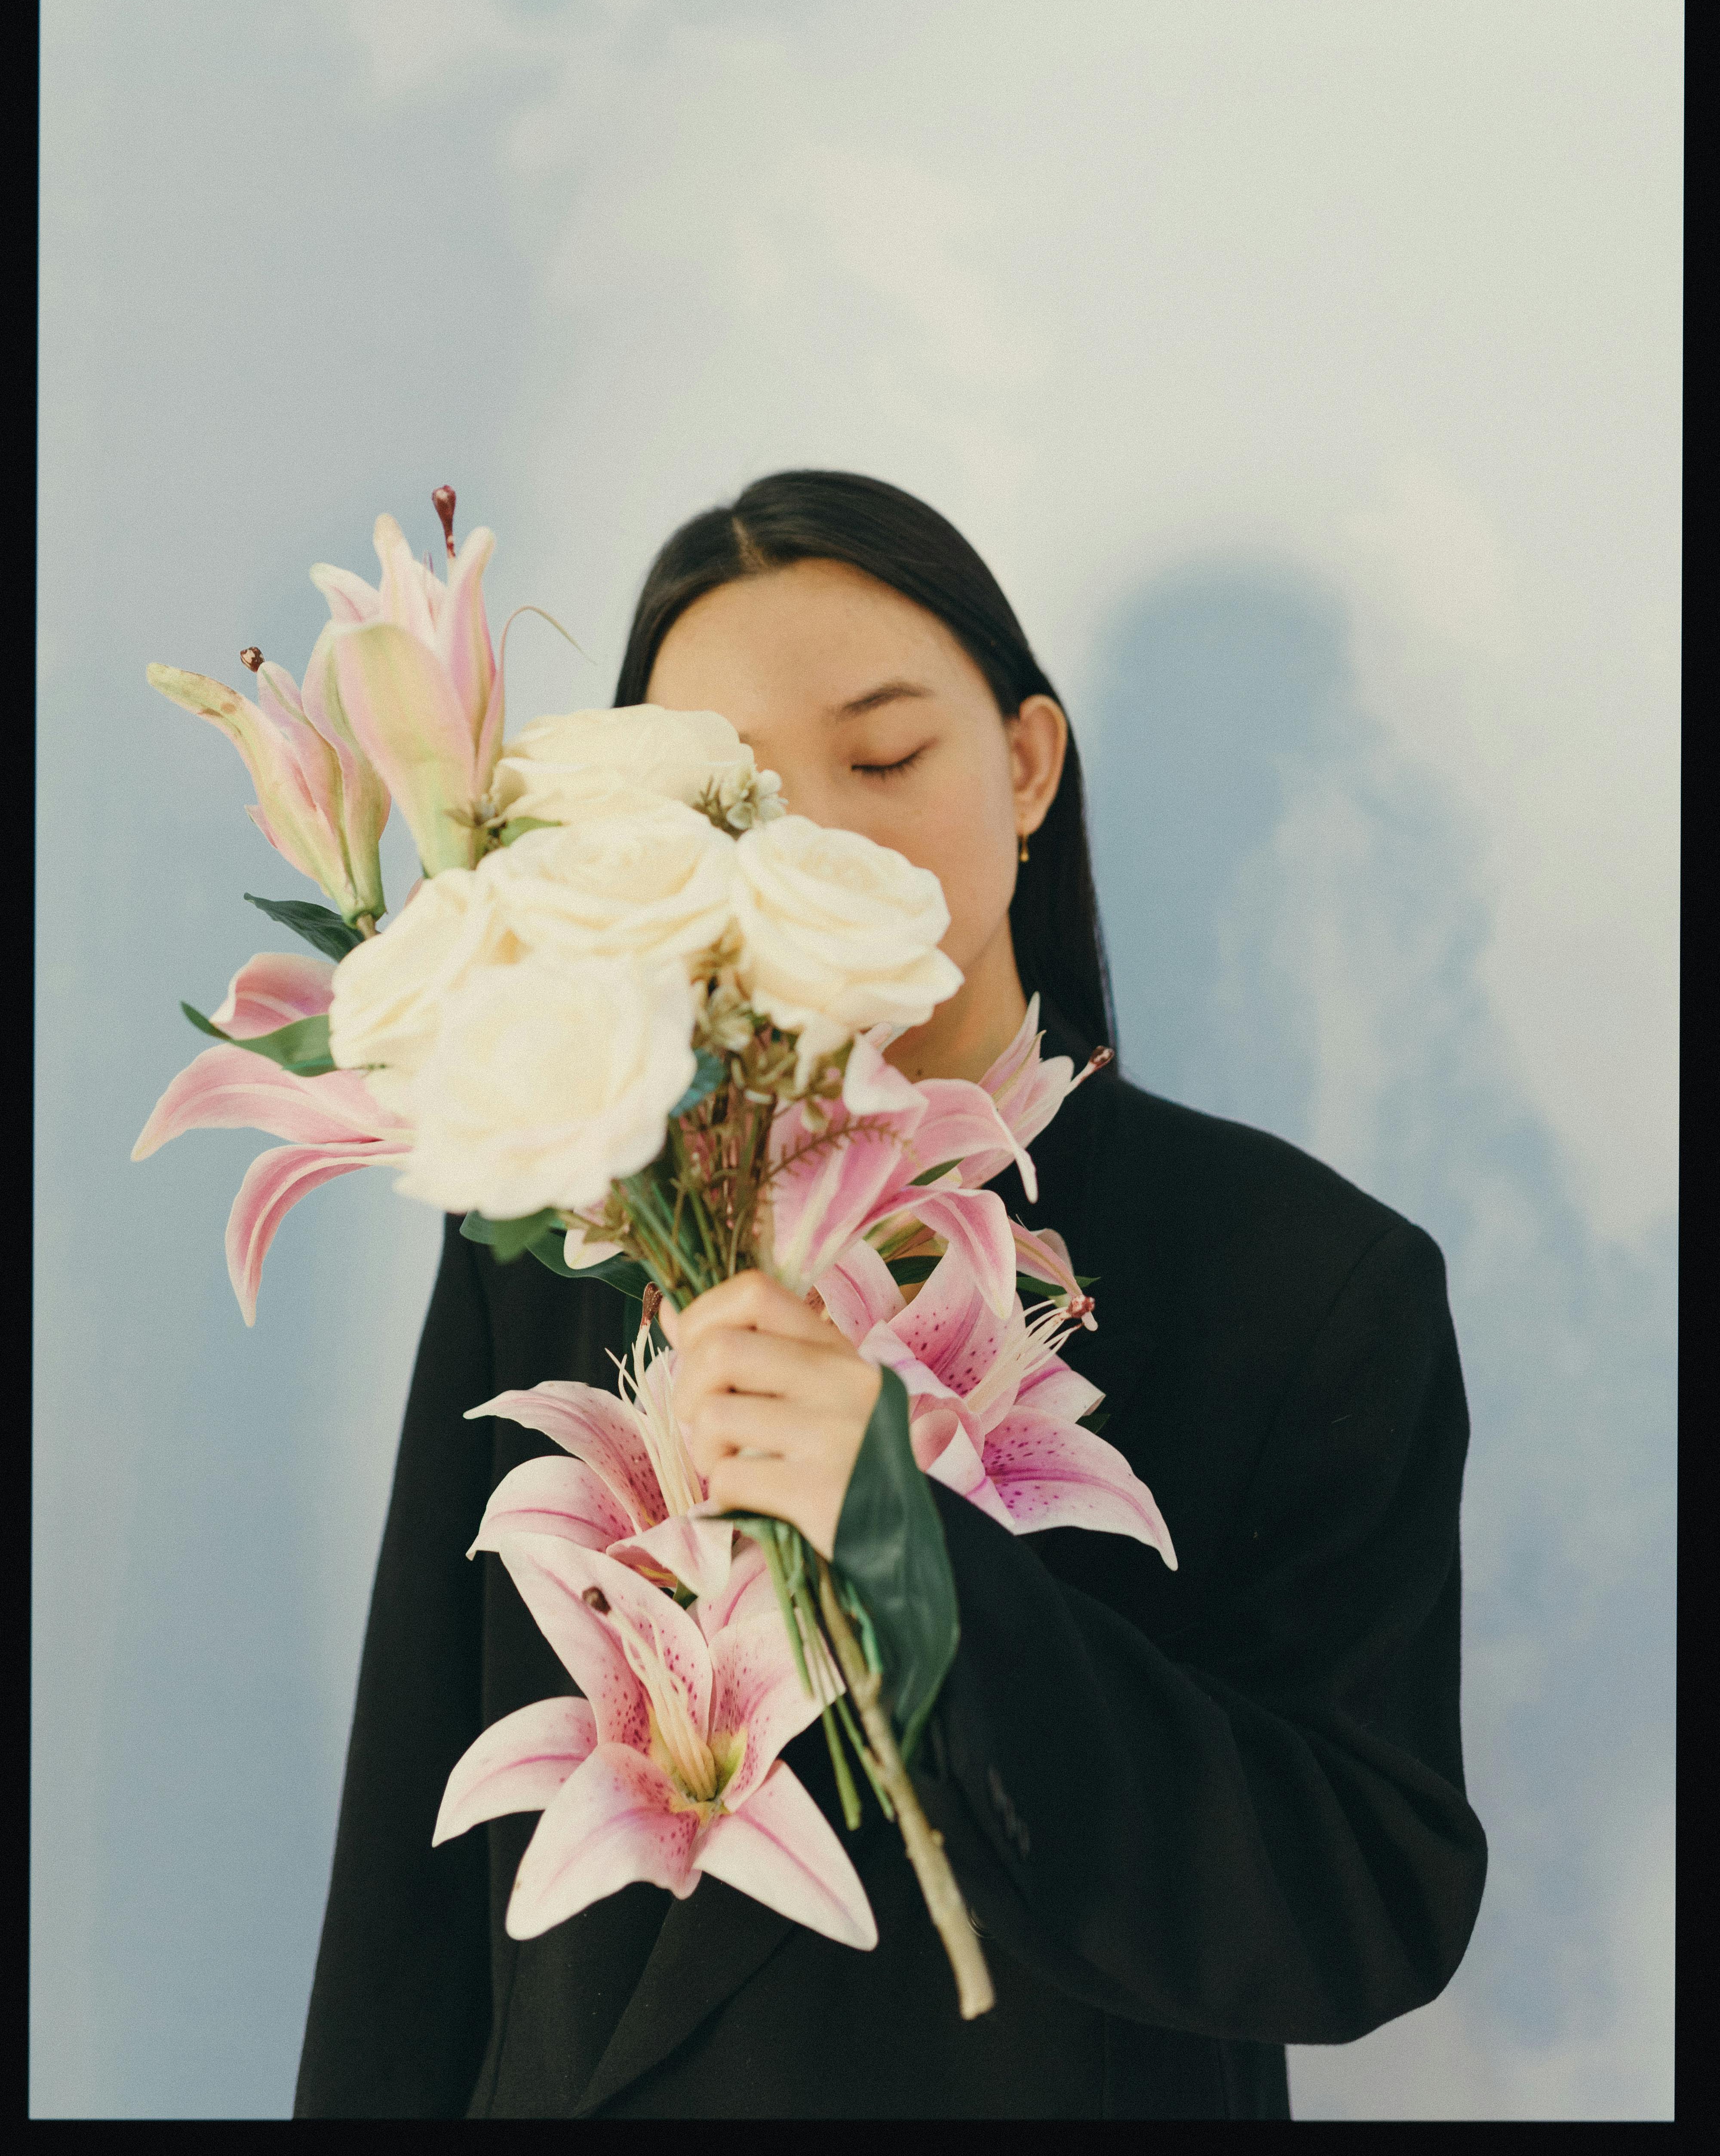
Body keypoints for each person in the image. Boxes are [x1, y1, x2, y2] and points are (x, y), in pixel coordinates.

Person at [294, 469, 1486, 2119]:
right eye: (735, 804)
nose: (821, 844)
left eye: (887, 756)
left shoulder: (1306, 1280)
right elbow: (411, 1902)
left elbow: (1366, 1904)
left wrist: (907, 1562)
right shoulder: (560, 1221)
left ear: (1025, 766)